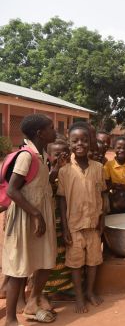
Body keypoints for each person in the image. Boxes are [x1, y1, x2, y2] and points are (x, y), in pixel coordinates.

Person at [3, 114, 58, 325]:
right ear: (39, 133)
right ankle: (10, 319)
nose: (55, 132)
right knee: (19, 267)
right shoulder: (26, 156)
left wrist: (54, 172)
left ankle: (32, 301)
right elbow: (12, 190)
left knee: (45, 260)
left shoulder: (42, 154)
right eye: (51, 128)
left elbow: (37, 184)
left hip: (40, 214)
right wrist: (36, 214)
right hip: (26, 217)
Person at [57, 123, 106, 314]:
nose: (80, 144)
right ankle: (78, 296)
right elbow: (62, 200)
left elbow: (103, 194)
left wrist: (103, 219)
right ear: (69, 143)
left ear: (91, 142)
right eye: (75, 140)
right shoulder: (65, 170)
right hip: (74, 225)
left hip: (93, 225)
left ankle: (90, 292)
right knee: (76, 263)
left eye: (85, 140)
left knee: (93, 261)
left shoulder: (98, 167)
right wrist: (65, 228)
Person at [43, 140, 74, 299]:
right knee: (50, 257)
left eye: (66, 154)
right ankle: (46, 292)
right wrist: (56, 168)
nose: (62, 157)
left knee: (64, 255)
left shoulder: (71, 171)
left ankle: (63, 288)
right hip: (50, 222)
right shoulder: (46, 171)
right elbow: (46, 185)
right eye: (57, 154)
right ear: (49, 156)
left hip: (67, 221)